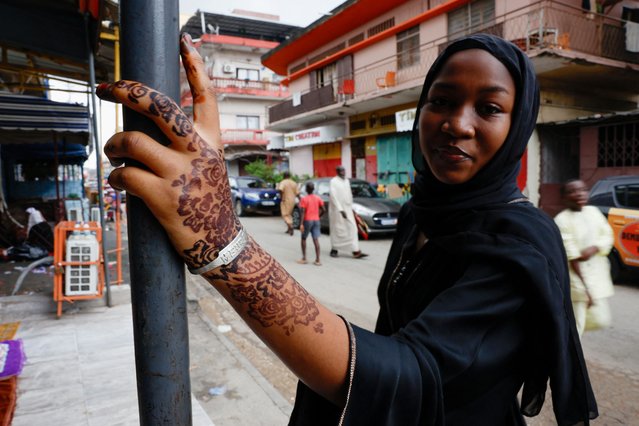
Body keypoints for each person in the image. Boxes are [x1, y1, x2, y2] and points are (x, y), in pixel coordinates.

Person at [99, 33, 597, 425]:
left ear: (519, 124)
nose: (457, 124)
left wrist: (225, 242)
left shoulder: (518, 242)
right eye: (441, 101)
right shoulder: (420, 212)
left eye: (488, 108)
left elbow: (411, 371)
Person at [554, 179, 614, 336]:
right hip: (576, 279)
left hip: (595, 275)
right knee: (577, 325)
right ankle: (570, 357)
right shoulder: (561, 220)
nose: (579, 194)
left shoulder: (593, 211)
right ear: (564, 198)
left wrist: (595, 248)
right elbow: (572, 256)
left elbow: (607, 234)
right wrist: (586, 289)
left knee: (601, 319)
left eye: (582, 190)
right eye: (572, 191)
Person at [328, 165, 367, 259]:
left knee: (353, 228)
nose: (343, 172)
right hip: (337, 211)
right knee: (337, 230)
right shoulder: (333, 181)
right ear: (337, 172)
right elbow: (333, 196)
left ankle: (355, 250)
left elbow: (349, 195)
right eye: (341, 171)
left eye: (344, 170)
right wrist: (340, 210)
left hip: (348, 209)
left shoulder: (346, 181)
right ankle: (334, 249)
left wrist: (350, 207)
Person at [297, 182, 325, 266]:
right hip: (316, 220)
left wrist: (301, 224)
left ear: (306, 189)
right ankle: (318, 260)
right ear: (313, 189)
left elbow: (302, 212)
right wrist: (318, 216)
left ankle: (304, 258)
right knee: (315, 239)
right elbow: (324, 209)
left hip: (307, 220)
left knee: (303, 238)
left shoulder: (304, 199)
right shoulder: (318, 198)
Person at [277, 171, 299, 236]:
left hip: (285, 200)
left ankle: (291, 226)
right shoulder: (294, 183)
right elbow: (297, 193)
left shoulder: (283, 182)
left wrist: (281, 197)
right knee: (289, 214)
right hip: (293, 200)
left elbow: (280, 189)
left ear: (284, 176)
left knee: (285, 214)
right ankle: (289, 229)